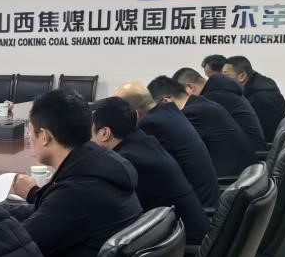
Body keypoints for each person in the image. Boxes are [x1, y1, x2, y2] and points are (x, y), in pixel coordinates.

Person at [7, 90, 142, 257]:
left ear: (44, 136)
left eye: (31, 132)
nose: (29, 139)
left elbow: (14, 247)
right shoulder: (100, 162)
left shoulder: (78, 192)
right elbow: (45, 211)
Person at [91, 98, 209, 244]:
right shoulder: (143, 141)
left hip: (183, 245)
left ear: (105, 133)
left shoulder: (127, 161)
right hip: (185, 236)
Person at [114, 81, 219, 208]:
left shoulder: (150, 125)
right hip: (205, 197)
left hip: (200, 204)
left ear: (133, 112)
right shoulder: (168, 110)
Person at [148, 76, 256, 179]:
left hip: (228, 180)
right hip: (242, 174)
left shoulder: (192, 114)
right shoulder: (202, 104)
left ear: (165, 101)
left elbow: (171, 150)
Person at [173, 66, 265, 150]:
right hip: (250, 151)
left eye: (180, 95)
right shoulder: (221, 92)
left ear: (190, 87)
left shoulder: (211, 100)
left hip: (247, 154)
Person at [223, 56, 285, 142]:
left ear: (242, 76)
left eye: (226, 76)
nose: (222, 80)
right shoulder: (258, 86)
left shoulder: (259, 99)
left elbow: (262, 135)